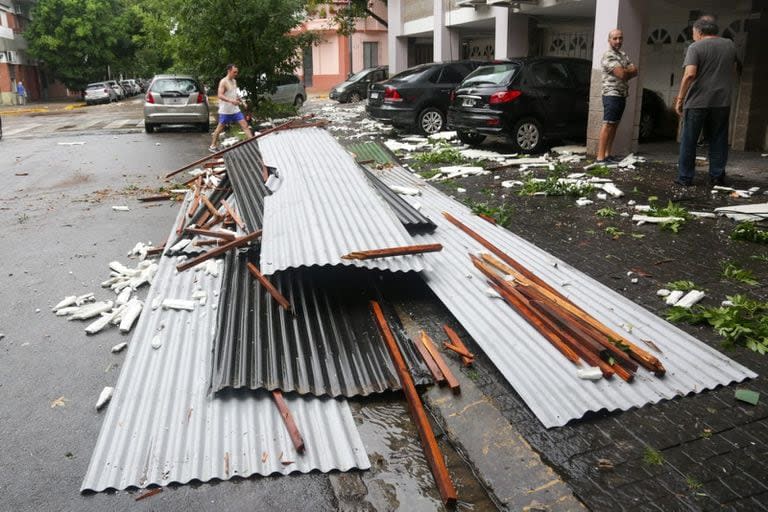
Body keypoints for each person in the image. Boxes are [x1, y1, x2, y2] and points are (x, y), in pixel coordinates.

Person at [674, 17, 737, 187]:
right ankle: (717, 176)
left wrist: (680, 98)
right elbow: (734, 69)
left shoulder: (695, 47)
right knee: (718, 139)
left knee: (689, 140)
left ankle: (685, 178)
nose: (693, 36)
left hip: (697, 101)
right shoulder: (729, 45)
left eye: (694, 33)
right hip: (722, 101)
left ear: (700, 32)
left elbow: (690, 74)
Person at [596, 29, 638, 164]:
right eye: (615, 38)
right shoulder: (608, 56)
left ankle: (608, 154)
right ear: (609, 40)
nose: (618, 41)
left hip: (622, 94)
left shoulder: (622, 55)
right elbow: (622, 75)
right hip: (611, 94)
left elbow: (635, 70)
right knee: (608, 124)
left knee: (614, 125)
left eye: (620, 38)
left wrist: (627, 71)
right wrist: (627, 71)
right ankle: (600, 157)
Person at [209, 64, 253, 153]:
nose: (236, 74)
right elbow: (220, 95)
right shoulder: (223, 82)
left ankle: (252, 143)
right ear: (229, 71)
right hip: (225, 111)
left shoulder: (234, 81)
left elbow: (235, 93)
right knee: (219, 129)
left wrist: (243, 101)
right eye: (234, 72)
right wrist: (231, 101)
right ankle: (212, 146)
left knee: (244, 125)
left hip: (235, 110)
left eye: (237, 72)